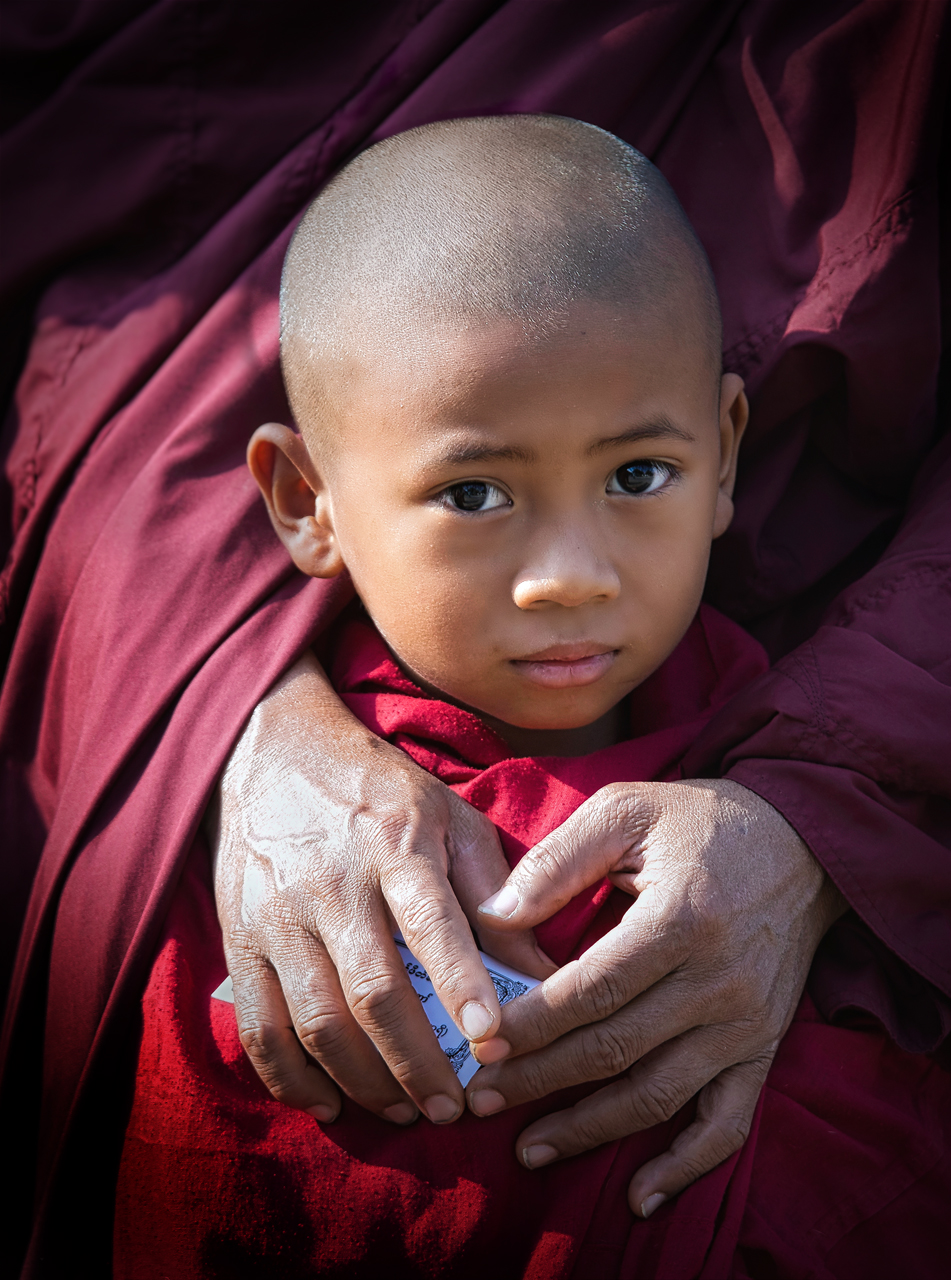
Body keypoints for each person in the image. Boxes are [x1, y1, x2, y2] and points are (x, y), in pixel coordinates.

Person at [2, 4, 948, 1276]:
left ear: (726, 453)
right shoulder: (254, 871)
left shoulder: (758, 729)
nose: (568, 577)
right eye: (474, 495)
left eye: (640, 474)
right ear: (302, 501)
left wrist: (832, 816)